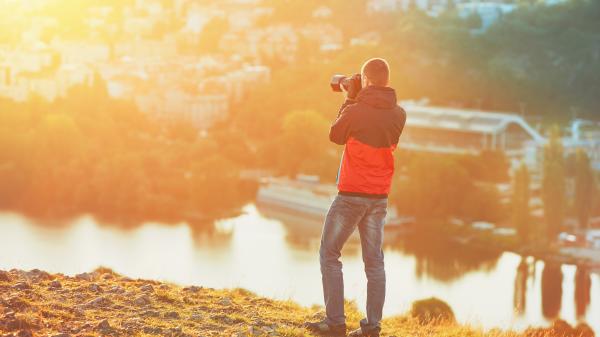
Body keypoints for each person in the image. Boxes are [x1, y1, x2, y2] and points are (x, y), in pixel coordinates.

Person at [304, 58, 406, 337]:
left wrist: (349, 98)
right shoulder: (400, 114)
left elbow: (335, 135)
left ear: (367, 81)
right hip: (379, 197)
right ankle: (372, 328)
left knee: (329, 254)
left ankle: (335, 323)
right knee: (374, 263)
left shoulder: (356, 110)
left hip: (350, 195)